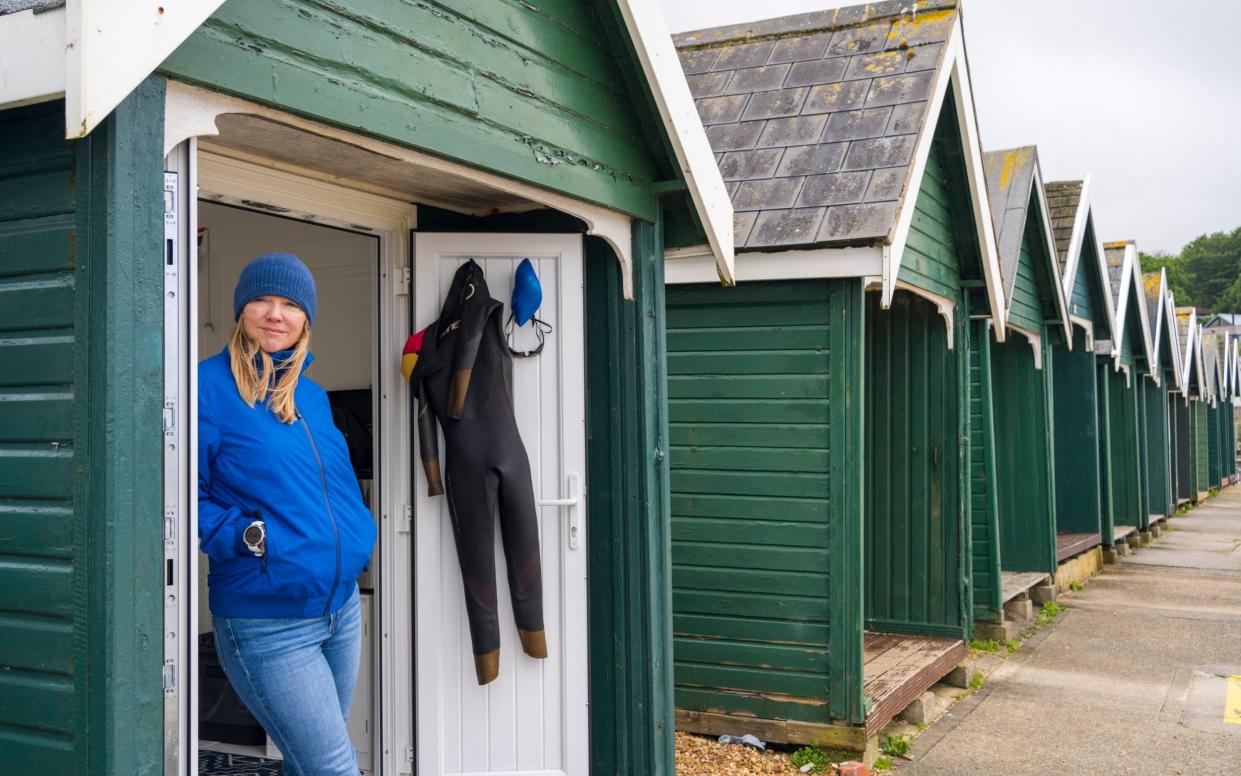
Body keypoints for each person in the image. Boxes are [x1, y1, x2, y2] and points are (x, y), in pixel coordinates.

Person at [198, 252, 377, 776]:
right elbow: (183, 492)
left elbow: (330, 487)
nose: (275, 314)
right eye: (261, 300)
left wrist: (357, 532)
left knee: (310, 765)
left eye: (290, 304)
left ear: (306, 319)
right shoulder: (206, 388)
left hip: (340, 608)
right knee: (333, 768)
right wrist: (249, 537)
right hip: (268, 621)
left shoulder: (312, 397)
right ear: (240, 310)